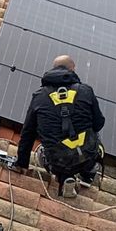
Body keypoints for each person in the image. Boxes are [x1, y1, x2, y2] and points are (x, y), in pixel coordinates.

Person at [9, 54, 106, 192]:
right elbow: (99, 123)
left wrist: (22, 163)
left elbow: (28, 134)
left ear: (53, 69)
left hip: (57, 163)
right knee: (95, 137)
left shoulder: (39, 97)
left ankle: (63, 177)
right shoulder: (85, 90)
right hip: (87, 156)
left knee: (43, 150)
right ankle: (87, 175)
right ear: (73, 69)